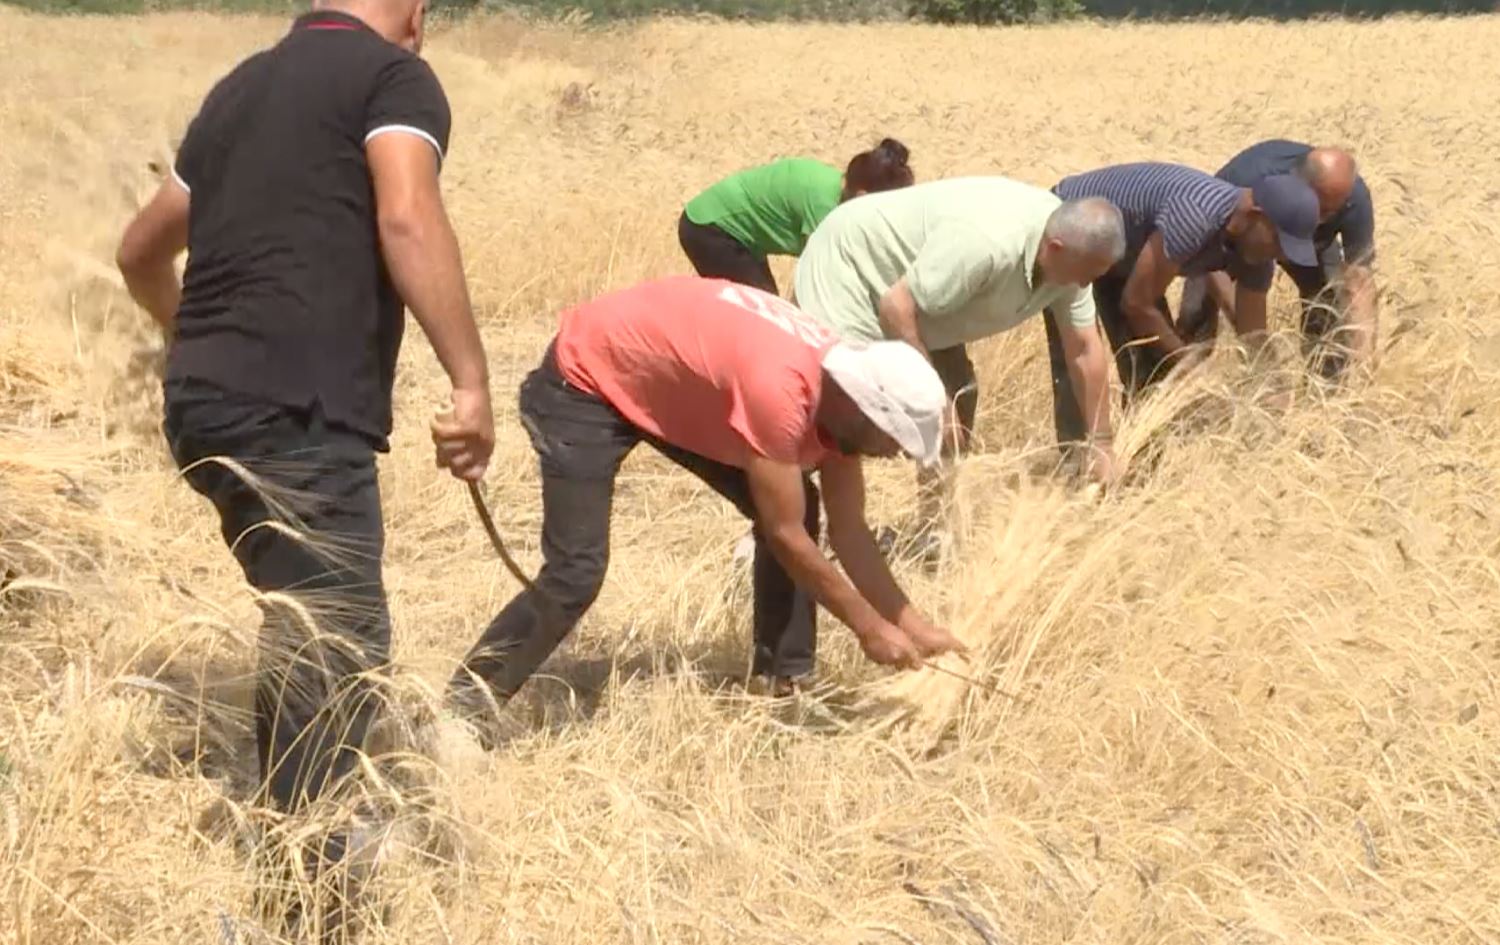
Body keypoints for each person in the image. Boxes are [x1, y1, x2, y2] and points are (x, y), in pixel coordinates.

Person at [114, 0, 494, 938]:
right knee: (341, 645)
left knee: (306, 623)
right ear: (415, 11)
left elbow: (139, 249)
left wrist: (199, 341)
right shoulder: (391, 76)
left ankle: (299, 855)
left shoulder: (240, 87)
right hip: (298, 408)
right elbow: (406, 217)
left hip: (203, 406)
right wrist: (470, 382)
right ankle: (303, 906)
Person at [446, 275, 966, 713]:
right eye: (895, 440)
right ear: (866, 409)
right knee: (576, 571)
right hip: (589, 375)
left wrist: (912, 625)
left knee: (801, 509)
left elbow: (849, 532)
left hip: (668, 379)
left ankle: (781, 685)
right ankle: (465, 707)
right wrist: (867, 627)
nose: (897, 455)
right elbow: (785, 536)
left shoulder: (844, 398)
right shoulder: (781, 390)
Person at [790, 175, 1127, 557]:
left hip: (923, 299)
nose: (1084, 284)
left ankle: (932, 532)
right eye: (1085, 273)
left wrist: (1101, 444)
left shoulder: (1074, 257)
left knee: (958, 404)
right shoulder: (986, 244)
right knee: (846, 411)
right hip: (853, 271)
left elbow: (1084, 348)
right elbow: (896, 307)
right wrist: (933, 396)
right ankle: (783, 530)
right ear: (1055, 248)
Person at [1042, 161, 1321, 454]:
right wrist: (1188, 362)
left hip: (1128, 256)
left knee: (1154, 373)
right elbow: (1137, 303)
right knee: (1078, 355)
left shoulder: (1257, 250)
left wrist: (1271, 386)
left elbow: (1251, 333)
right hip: (1076, 230)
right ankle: (1077, 465)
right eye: (1278, 242)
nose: (1279, 255)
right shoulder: (1194, 213)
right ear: (1254, 216)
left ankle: (1141, 463)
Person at [1175, 141, 1379, 380]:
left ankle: (1326, 389)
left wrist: (1365, 358)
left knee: (1327, 304)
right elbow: (1214, 270)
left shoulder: (1353, 196)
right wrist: (1257, 347)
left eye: (1331, 213)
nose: (1319, 221)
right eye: (1318, 209)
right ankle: (1179, 387)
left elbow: (1359, 280)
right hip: (1234, 240)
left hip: (1312, 249)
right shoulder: (1249, 183)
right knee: (1195, 313)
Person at [677, 139, 915, 296]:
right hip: (711, 229)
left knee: (764, 308)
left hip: (733, 231)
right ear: (863, 196)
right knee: (764, 314)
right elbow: (818, 280)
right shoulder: (824, 209)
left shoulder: (839, 189)